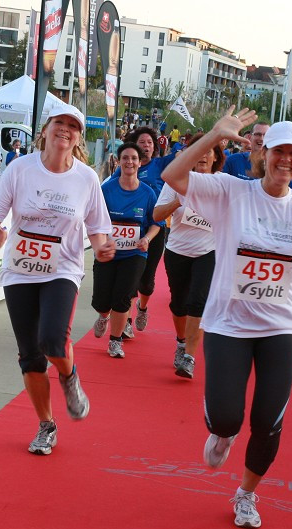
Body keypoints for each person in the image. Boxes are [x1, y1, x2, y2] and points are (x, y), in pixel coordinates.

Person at [161, 108, 292, 529]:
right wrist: (214, 136)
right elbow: (174, 177)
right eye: (279, 152)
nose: (285, 160)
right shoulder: (231, 193)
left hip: (281, 327)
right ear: (264, 153)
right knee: (227, 417)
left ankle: (246, 494)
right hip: (227, 324)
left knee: (269, 422)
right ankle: (222, 431)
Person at [0, 104, 116, 456]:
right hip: (19, 270)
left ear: (78, 137)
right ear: (45, 129)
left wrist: (102, 248)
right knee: (31, 356)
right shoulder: (21, 169)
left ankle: (70, 377)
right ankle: (46, 425)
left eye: (73, 126)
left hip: (63, 268)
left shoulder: (86, 178)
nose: (65, 130)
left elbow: (98, 228)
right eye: (59, 123)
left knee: (53, 340)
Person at [152, 133, 223, 378]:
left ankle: (190, 357)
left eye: (208, 151)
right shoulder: (176, 181)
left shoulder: (223, 184)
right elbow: (157, 215)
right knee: (179, 303)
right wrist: (177, 202)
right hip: (177, 250)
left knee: (198, 302)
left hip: (208, 251)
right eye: (197, 151)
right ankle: (181, 342)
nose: (203, 156)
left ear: (215, 157)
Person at [92, 142, 163, 359]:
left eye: (133, 158)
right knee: (102, 301)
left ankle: (115, 341)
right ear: (118, 161)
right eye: (125, 158)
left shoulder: (148, 193)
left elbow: (156, 222)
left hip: (134, 254)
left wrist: (146, 239)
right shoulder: (107, 189)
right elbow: (95, 218)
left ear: (140, 163)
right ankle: (104, 316)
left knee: (123, 297)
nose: (129, 162)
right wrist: (102, 242)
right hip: (108, 251)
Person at [111, 126, 179, 335]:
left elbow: (184, 159)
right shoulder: (126, 166)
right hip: (131, 229)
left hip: (156, 227)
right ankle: (126, 320)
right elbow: (111, 188)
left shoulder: (161, 164)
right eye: (142, 142)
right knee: (130, 277)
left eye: (150, 143)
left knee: (147, 282)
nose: (147, 146)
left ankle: (142, 308)